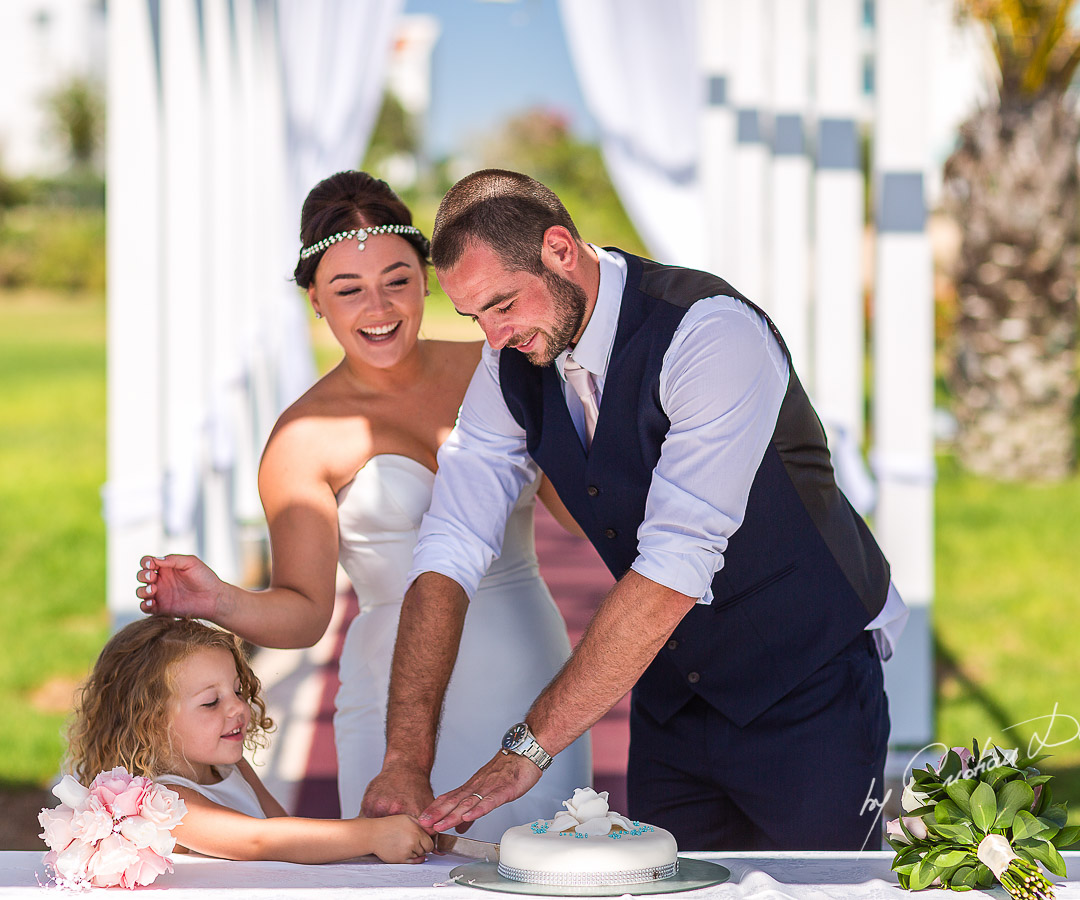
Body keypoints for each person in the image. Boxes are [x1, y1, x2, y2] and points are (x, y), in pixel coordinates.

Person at [362, 169, 909, 852]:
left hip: (806, 686)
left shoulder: (709, 333)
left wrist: (525, 754)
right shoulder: (509, 360)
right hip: (672, 698)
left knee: (824, 895)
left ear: (560, 249)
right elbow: (450, 544)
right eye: (476, 317)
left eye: (502, 304)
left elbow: (674, 566)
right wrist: (406, 757)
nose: (495, 337)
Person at [134, 170, 589, 840]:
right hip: (392, 693)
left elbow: (583, 513)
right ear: (316, 299)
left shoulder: (501, 366)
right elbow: (305, 612)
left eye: (397, 280)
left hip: (529, 667)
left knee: (551, 867)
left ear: (428, 279)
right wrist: (217, 599)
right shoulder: (302, 439)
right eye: (348, 290)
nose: (378, 307)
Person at [64, 616, 434, 863]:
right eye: (211, 702)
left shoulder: (229, 767)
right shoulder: (161, 803)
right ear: (149, 720)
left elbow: (284, 829)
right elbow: (261, 840)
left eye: (239, 691)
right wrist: (368, 836)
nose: (238, 708)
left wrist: (367, 839)